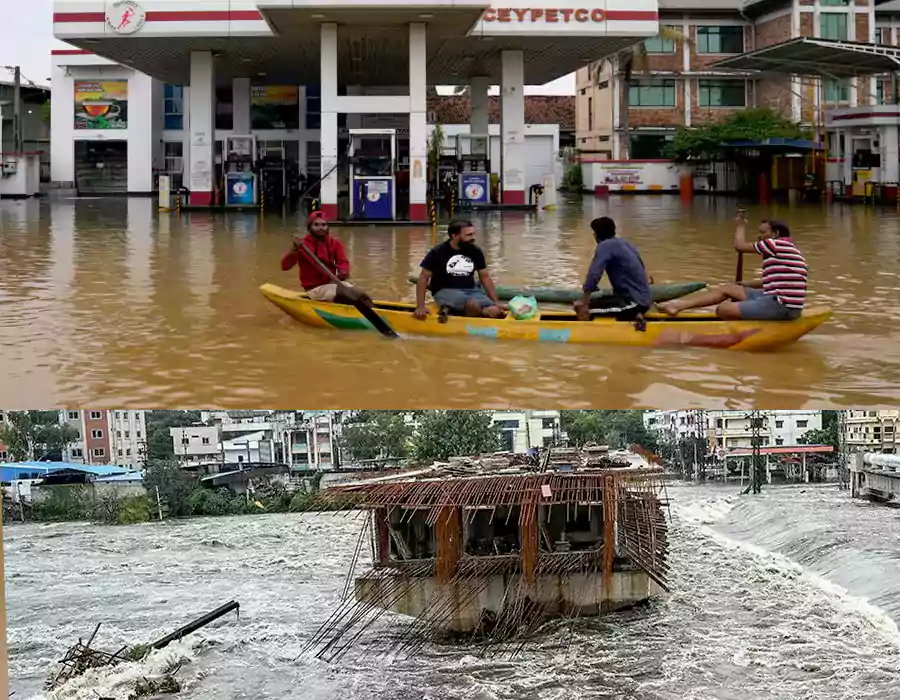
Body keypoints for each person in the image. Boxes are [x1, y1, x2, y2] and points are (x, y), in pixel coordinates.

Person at [658, 214, 807, 321]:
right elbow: (774, 281)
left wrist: (740, 226)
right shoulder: (789, 249)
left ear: (775, 234)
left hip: (781, 306)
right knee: (728, 288)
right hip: (776, 300)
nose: (759, 237)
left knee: (722, 310)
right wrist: (747, 285)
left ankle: (747, 318)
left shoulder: (775, 244)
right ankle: (680, 305)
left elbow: (739, 246)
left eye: (763, 233)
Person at [414, 219, 506, 319]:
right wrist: (420, 306)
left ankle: (466, 316)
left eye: (473, 234)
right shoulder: (438, 252)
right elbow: (423, 277)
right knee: (473, 305)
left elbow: (485, 278)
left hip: (471, 290)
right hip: (445, 291)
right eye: (469, 235)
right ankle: (463, 320)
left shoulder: (475, 251)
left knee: (495, 311)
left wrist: (496, 302)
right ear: (454, 236)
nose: (473, 238)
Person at [574, 217, 653, 322]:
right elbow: (640, 267)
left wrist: (584, 301)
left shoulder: (604, 246)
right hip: (640, 300)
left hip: (633, 302)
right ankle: (634, 315)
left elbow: (594, 275)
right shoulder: (626, 244)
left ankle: (585, 336)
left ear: (596, 234)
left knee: (583, 308)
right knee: (595, 301)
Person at [281, 210, 356, 304]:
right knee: (343, 293)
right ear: (310, 227)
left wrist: (343, 272)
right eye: (316, 225)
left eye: (323, 225)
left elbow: (343, 262)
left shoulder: (335, 244)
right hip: (314, 289)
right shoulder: (302, 245)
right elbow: (285, 267)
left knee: (355, 292)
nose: (321, 228)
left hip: (332, 283)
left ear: (327, 226)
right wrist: (294, 249)